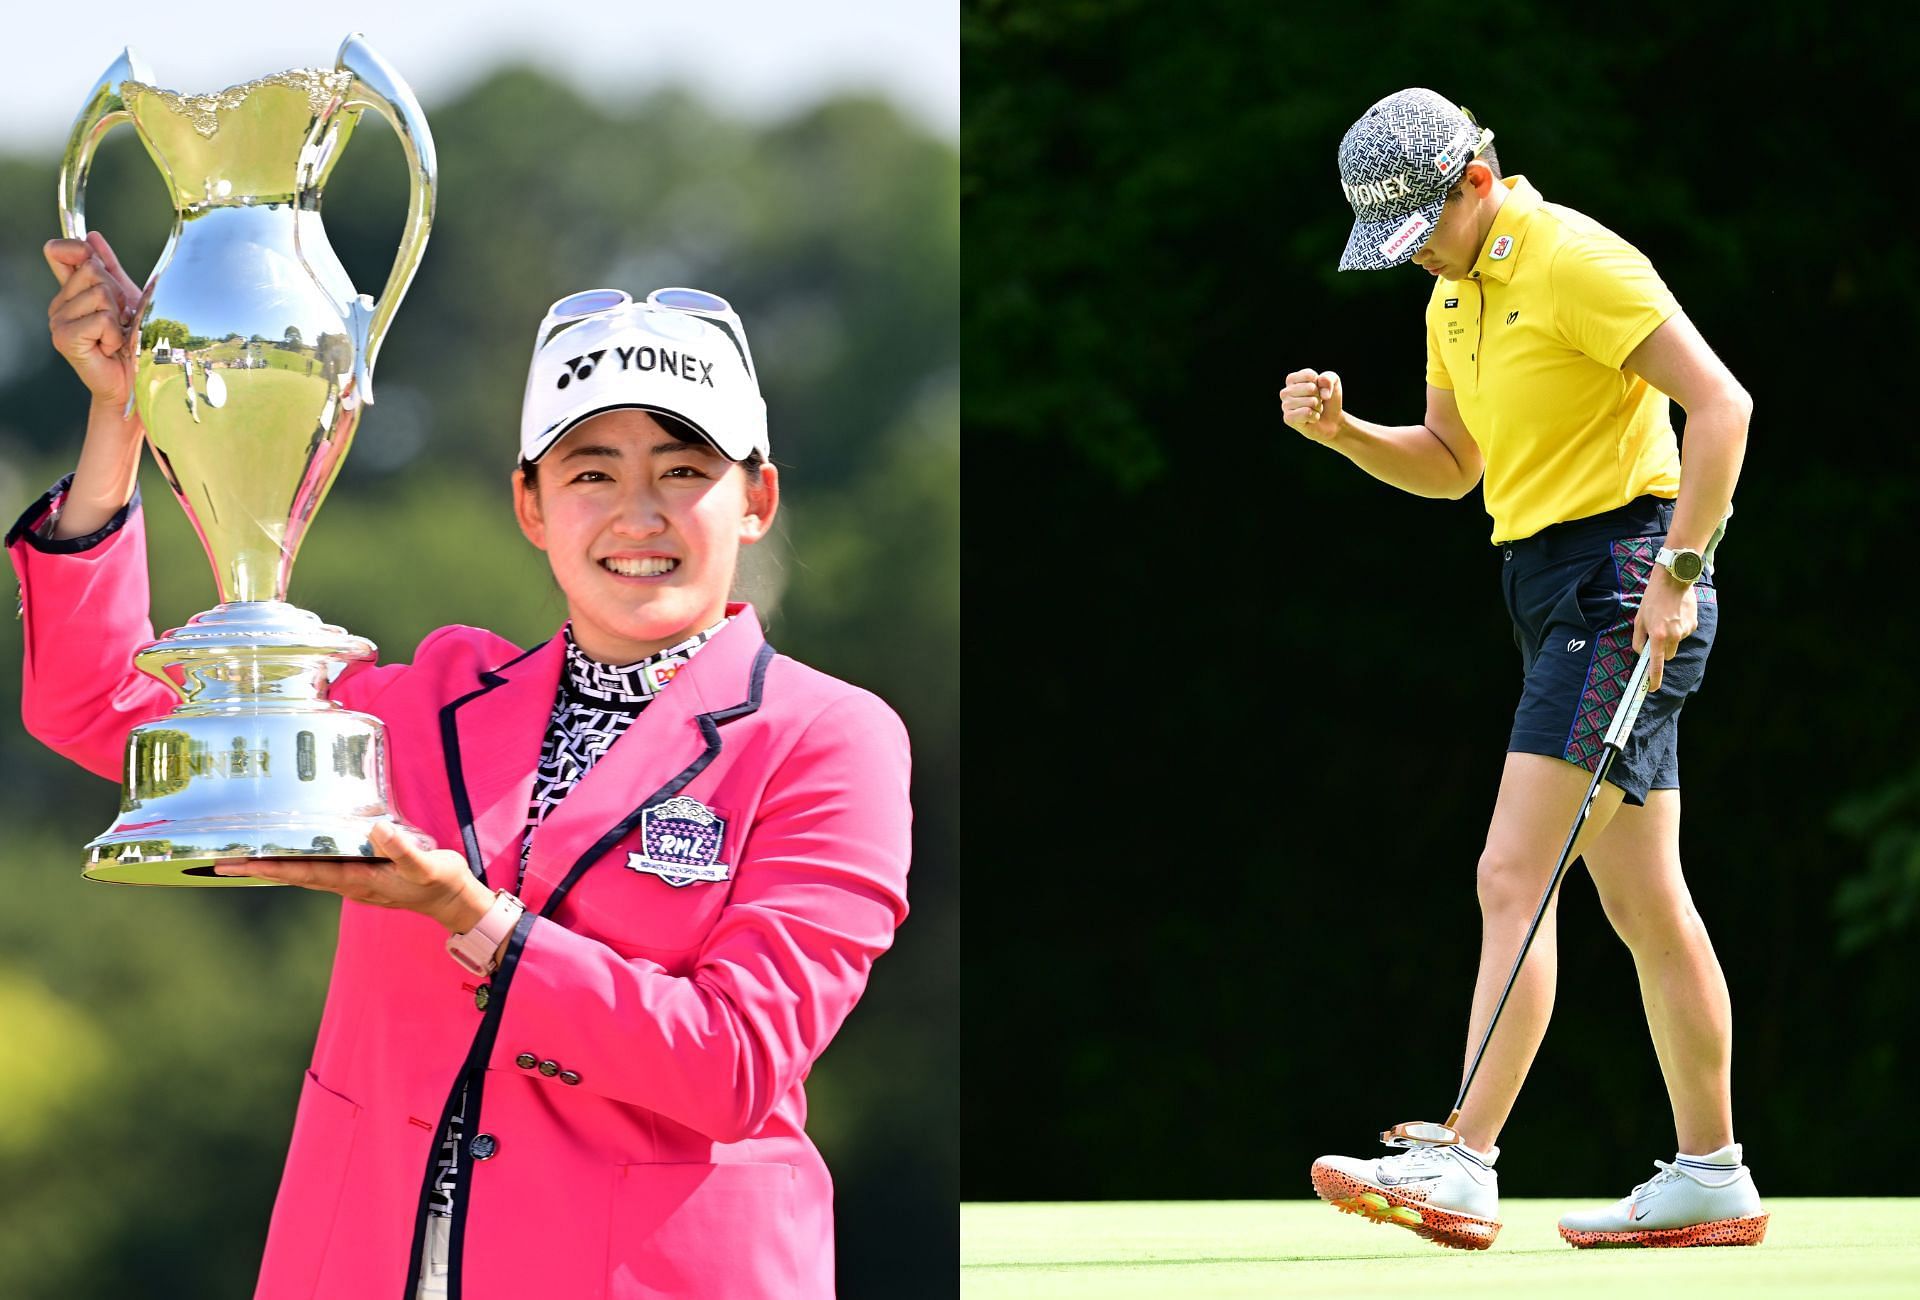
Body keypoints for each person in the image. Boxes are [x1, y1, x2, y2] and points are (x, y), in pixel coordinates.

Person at [16, 232, 912, 1298]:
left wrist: (472, 918)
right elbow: (101, 701)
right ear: (532, 505)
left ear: (756, 499)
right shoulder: (430, 702)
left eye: (684, 470)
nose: (639, 513)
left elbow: (731, 1064)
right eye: (592, 472)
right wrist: (125, 411)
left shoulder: (829, 738)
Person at [1281, 89, 1763, 1250]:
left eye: (1418, 231)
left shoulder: (1572, 258)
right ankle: (1713, 1174)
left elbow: (1721, 405)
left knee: (1514, 871)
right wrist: (1348, 434)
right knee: (1645, 899)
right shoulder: (1455, 295)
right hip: (1546, 588)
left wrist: (1680, 570)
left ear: (1474, 181)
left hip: (1624, 581)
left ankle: (1467, 1156)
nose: (1413, 262)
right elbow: (1454, 466)